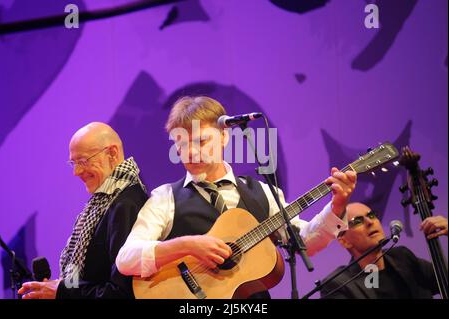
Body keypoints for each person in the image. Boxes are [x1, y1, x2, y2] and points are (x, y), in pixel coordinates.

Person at [116, 96, 357, 298]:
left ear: (224, 136)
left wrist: (337, 205)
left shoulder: (262, 192)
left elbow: (305, 242)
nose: (191, 151)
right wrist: (188, 245)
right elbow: (126, 259)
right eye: (182, 144)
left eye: (201, 141)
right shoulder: (164, 197)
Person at [18, 122, 148, 299]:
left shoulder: (127, 204)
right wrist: (59, 287)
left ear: (112, 153)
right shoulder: (105, 201)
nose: (76, 172)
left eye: (83, 161)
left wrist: (62, 292)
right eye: (73, 163)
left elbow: (122, 293)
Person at [320, 202, 448, 299]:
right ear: (344, 241)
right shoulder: (338, 285)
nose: (370, 222)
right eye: (358, 221)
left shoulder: (403, 257)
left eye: (371, 215)